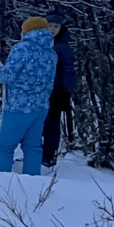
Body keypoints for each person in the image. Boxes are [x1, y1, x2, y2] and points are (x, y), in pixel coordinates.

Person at [0, 16, 58, 176]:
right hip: (41, 106)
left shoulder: (22, 48)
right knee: (33, 147)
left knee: (5, 147)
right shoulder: (51, 53)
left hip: (18, 106)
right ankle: (33, 181)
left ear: (27, 31)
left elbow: (7, 75)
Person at [41, 11, 77, 168]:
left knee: (51, 125)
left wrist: (66, 92)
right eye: (50, 25)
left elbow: (69, 71)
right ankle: (36, 153)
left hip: (56, 93)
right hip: (38, 91)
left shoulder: (63, 46)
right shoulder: (39, 42)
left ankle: (48, 156)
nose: (52, 29)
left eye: (56, 26)